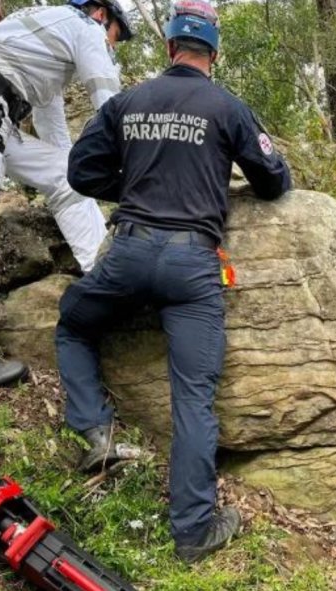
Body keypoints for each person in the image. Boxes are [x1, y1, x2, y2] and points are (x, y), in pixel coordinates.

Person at [57, 0, 292, 565]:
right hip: (192, 266)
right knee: (193, 397)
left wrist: (135, 186)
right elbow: (273, 181)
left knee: (72, 327)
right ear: (213, 51)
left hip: (131, 250)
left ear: (169, 48)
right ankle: (192, 531)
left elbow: (80, 172)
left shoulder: (127, 102)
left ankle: (96, 433)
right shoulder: (227, 106)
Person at [0, 0, 133, 387]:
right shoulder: (84, 27)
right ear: (101, 14)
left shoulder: (45, 43)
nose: (112, 47)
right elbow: (110, 104)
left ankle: (101, 269)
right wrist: (139, 169)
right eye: (115, 38)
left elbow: (57, 137)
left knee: (65, 175)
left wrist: (83, 174)